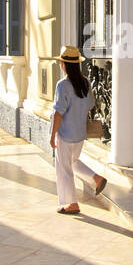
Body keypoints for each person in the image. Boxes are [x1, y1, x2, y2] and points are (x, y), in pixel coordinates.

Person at [50, 46, 107, 214]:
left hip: (65, 134)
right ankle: (97, 178)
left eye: (61, 62)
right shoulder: (85, 83)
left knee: (64, 168)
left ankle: (71, 203)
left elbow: (58, 113)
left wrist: (52, 134)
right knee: (73, 163)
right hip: (80, 134)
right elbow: (89, 106)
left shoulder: (62, 85)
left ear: (64, 64)